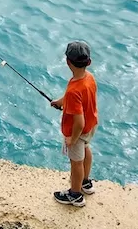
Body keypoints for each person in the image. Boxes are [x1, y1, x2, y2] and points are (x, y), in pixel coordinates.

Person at [51, 41, 98, 208]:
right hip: (91, 126)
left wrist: (72, 139)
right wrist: (61, 102)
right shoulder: (89, 78)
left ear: (67, 61)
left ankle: (75, 195)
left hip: (78, 132)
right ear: (88, 63)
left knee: (76, 161)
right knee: (86, 150)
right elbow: (79, 99)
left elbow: (79, 121)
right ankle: (86, 182)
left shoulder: (73, 90)